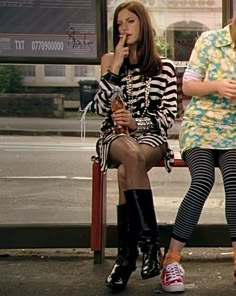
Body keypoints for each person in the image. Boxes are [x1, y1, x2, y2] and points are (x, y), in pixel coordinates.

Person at [93, 0, 177, 292]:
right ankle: (151, 244)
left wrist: (136, 123)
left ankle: (126, 258)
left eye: (130, 22)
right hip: (115, 137)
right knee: (129, 153)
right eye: (119, 24)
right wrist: (115, 66)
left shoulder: (163, 67)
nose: (124, 28)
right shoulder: (109, 60)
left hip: (150, 137)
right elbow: (100, 108)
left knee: (125, 171)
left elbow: (168, 117)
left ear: (143, 24)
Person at [161, 19, 236, 293]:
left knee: (235, 182)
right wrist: (217, 85)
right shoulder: (210, 40)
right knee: (202, 179)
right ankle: (171, 260)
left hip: (234, 132)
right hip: (201, 126)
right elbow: (188, 87)